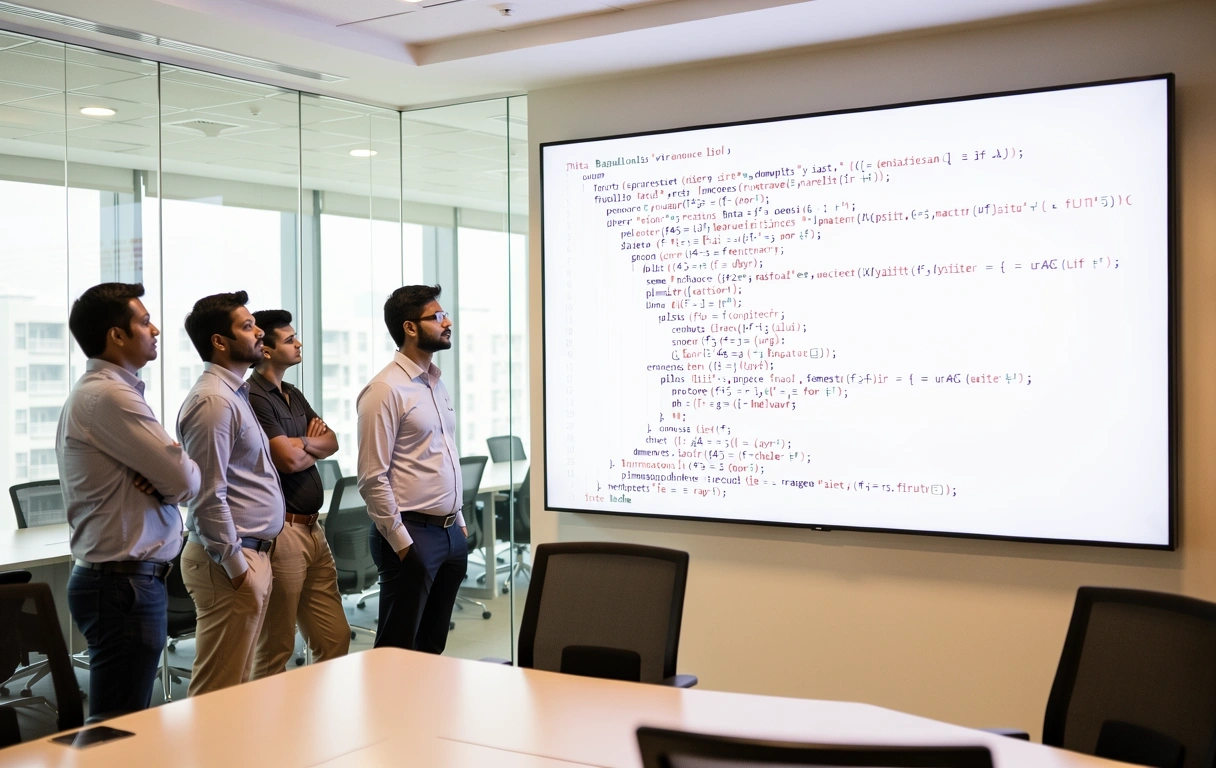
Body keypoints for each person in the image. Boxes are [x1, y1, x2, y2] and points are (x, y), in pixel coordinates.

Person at [56, 282, 200, 714]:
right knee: (116, 728)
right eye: (143, 321)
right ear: (117, 335)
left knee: (121, 723)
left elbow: (175, 477)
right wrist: (167, 478)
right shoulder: (109, 396)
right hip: (122, 585)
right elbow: (187, 481)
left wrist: (163, 478)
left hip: (125, 582)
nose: (154, 329)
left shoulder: (107, 393)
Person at [177, 291, 284, 695]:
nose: (260, 332)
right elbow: (207, 494)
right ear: (219, 342)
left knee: (236, 691)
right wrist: (239, 567)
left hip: (250, 554)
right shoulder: (213, 402)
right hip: (229, 562)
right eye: (247, 326)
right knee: (217, 693)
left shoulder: (234, 395)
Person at [357, 285, 467, 652]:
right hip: (412, 533)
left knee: (432, 647)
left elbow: (441, 455)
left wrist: (460, 522)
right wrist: (403, 543)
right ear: (410, 327)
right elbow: (372, 478)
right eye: (436, 317)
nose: (447, 322)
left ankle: (425, 711)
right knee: (398, 650)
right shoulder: (385, 390)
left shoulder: (434, 382)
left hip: (450, 533)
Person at [247, 309, 349, 677]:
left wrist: (302, 442)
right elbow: (286, 461)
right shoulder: (253, 396)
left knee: (335, 637)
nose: (299, 343)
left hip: (313, 529)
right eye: (290, 340)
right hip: (283, 531)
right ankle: (268, 730)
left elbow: (333, 441)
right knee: (277, 646)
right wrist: (310, 442)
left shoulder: (292, 393)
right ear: (268, 350)